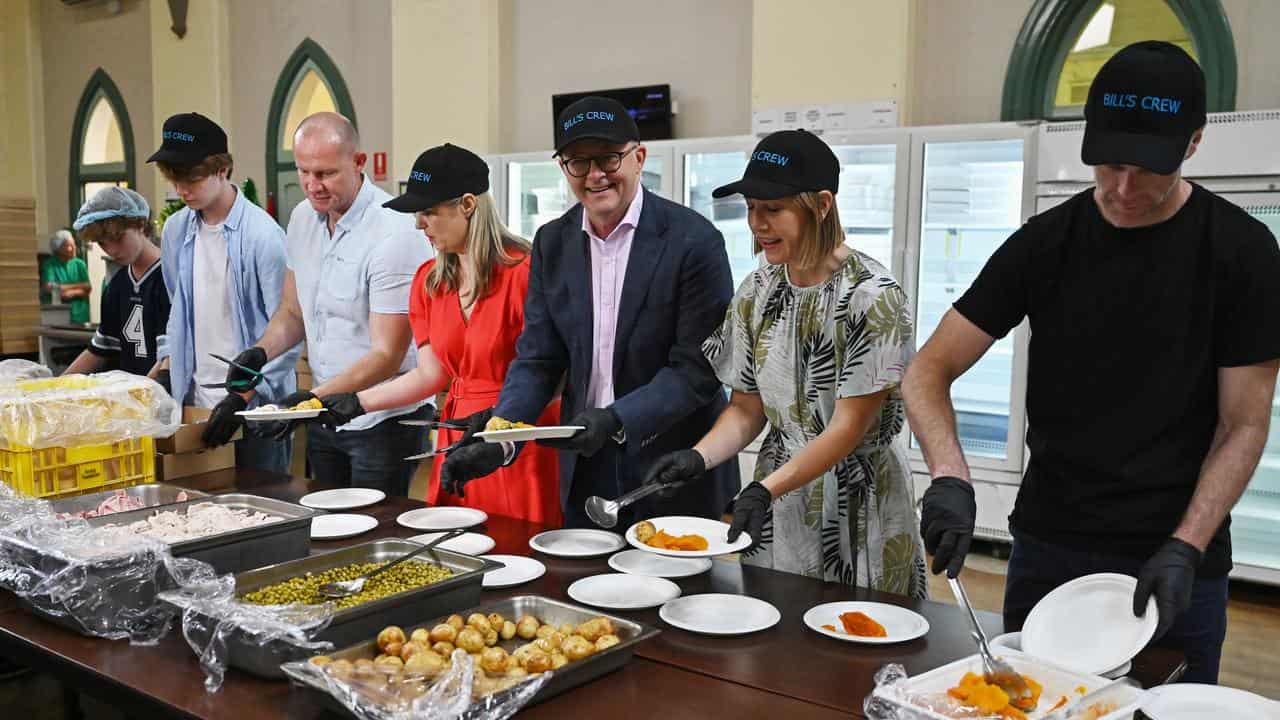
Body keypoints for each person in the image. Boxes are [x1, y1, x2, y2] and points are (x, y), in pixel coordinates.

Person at [904, 41, 1280, 684]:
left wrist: (1187, 546)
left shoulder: (1242, 253)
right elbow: (926, 372)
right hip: (1053, 545)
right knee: (1036, 701)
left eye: (1148, 168)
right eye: (1107, 164)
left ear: (1192, 144)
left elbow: (1242, 424)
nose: (1123, 188)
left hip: (1177, 553)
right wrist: (950, 476)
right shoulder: (1045, 243)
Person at [642, 130, 926, 595]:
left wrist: (764, 490)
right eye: (752, 207)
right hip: (778, 493)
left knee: (854, 642)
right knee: (775, 636)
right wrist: (699, 457)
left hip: (855, 499)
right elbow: (747, 408)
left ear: (821, 205)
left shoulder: (873, 297)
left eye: (773, 209)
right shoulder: (759, 289)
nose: (757, 223)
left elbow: (847, 428)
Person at [439, 96, 739, 528]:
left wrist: (617, 418)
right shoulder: (552, 243)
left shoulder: (694, 241)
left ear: (638, 158)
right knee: (579, 589)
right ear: (563, 168)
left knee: (677, 593)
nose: (595, 175)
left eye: (609, 158)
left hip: (670, 467)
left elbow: (696, 371)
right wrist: (501, 435)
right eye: (579, 162)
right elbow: (539, 358)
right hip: (584, 464)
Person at [315, 144, 562, 524]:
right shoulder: (429, 283)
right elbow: (432, 375)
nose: (418, 224)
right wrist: (356, 402)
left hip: (515, 434)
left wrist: (506, 419)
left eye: (428, 212)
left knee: (519, 549)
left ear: (467, 205)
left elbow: (556, 373)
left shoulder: (526, 273)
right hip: (456, 436)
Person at [221, 112, 431, 497]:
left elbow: (387, 353)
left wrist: (311, 401)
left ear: (359, 163)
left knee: (373, 532)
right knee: (325, 526)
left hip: (382, 420)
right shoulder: (302, 218)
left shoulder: (394, 231)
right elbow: (293, 311)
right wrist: (259, 352)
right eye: (303, 171)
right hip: (325, 412)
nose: (312, 185)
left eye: (325, 173)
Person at [150, 112, 299, 473]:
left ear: (223, 170)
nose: (182, 188)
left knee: (264, 508)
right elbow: (179, 310)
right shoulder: (175, 231)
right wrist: (168, 365)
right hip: (197, 398)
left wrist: (242, 395)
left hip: (256, 408)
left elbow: (286, 330)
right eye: (174, 177)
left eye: (192, 177)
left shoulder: (263, 237)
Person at [62, 187, 170, 381]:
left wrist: (144, 394)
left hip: (163, 395)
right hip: (132, 398)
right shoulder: (117, 286)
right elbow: (98, 350)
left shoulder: (169, 279)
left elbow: (169, 358)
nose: (112, 249)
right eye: (102, 243)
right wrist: (54, 387)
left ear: (141, 225)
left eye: (118, 238)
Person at [41, 230, 91, 324]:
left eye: (73, 245)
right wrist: (80, 286)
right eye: (68, 246)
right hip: (58, 315)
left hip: (80, 315)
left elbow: (88, 288)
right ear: (58, 249)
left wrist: (71, 292)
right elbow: (48, 287)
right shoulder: (50, 265)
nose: (72, 248)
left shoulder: (79, 264)